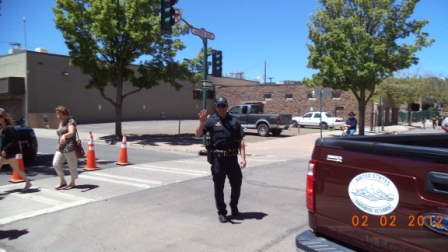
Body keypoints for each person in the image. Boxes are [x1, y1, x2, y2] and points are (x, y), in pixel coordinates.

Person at [195, 97, 246, 223]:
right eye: (219, 106)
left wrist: (243, 157)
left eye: (223, 106)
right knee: (219, 187)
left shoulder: (234, 121)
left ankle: (233, 205)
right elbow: (198, 134)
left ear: (227, 106)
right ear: (216, 107)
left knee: (237, 183)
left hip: (232, 159)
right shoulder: (211, 121)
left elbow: (241, 140)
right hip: (218, 160)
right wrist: (201, 123)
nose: (221, 108)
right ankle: (222, 212)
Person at [0, 108, 32, 191]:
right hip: (3, 152)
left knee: (16, 169)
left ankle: (28, 183)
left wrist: (5, 149)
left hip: (9, 152)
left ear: (4, 118)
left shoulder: (10, 128)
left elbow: (14, 141)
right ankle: (28, 182)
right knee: (15, 168)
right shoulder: (1, 128)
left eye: (0, 116)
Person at [53, 106, 79, 190]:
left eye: (60, 115)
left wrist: (64, 135)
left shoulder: (70, 121)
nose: (58, 117)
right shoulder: (61, 123)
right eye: (57, 115)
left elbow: (71, 132)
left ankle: (72, 182)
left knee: (72, 165)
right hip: (60, 147)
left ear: (65, 114)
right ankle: (62, 181)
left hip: (69, 147)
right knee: (56, 164)